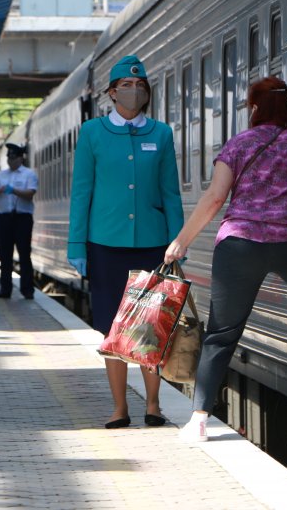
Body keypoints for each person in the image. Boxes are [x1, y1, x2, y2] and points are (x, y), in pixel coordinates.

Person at [163, 76, 287, 442]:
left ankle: (199, 419)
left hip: (241, 244)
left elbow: (215, 198)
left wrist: (181, 242)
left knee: (222, 333)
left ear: (255, 108)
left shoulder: (239, 145)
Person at [67, 55, 184, 429]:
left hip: (152, 244)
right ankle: (120, 408)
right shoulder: (92, 133)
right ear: (112, 92)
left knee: (152, 325)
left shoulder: (161, 134)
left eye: (140, 86)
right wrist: (75, 246)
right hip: (104, 244)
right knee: (111, 328)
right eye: (126, 86)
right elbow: (81, 191)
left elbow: (171, 193)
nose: (134, 92)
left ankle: (153, 404)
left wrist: (178, 240)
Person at [0, 143, 38, 299]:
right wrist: (2, 189)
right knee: (5, 254)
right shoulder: (2, 175)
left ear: (20, 158)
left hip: (22, 217)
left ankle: (27, 290)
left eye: (13, 158)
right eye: (8, 158)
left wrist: (14, 190)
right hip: (4, 217)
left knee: (24, 254)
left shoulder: (29, 174)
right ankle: (5, 289)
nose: (10, 161)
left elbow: (30, 193)